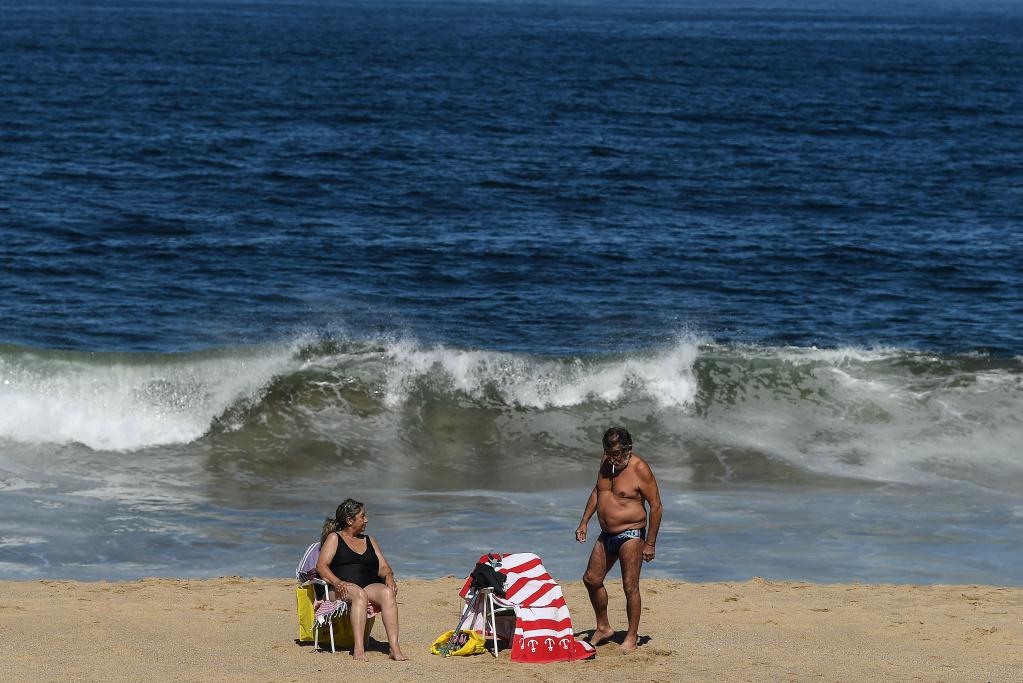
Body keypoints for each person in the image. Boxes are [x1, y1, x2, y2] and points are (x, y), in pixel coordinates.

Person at [575, 426, 662, 651]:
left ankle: (631, 637)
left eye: (616, 453)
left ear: (627, 449)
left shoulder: (640, 468)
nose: (613, 458)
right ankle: (603, 627)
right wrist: (584, 521)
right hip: (607, 534)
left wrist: (650, 542)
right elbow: (598, 491)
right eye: (608, 452)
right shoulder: (607, 462)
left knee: (629, 586)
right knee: (591, 579)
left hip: (631, 533)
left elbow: (656, 506)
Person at [315, 498, 408, 661]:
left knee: (387, 593)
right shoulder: (335, 538)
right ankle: (358, 649)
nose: (366, 520)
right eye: (362, 516)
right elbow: (322, 566)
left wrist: (389, 577)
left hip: (367, 586)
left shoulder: (369, 540)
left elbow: (383, 567)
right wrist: (337, 582)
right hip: (339, 588)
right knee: (359, 595)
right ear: (350, 520)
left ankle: (394, 647)